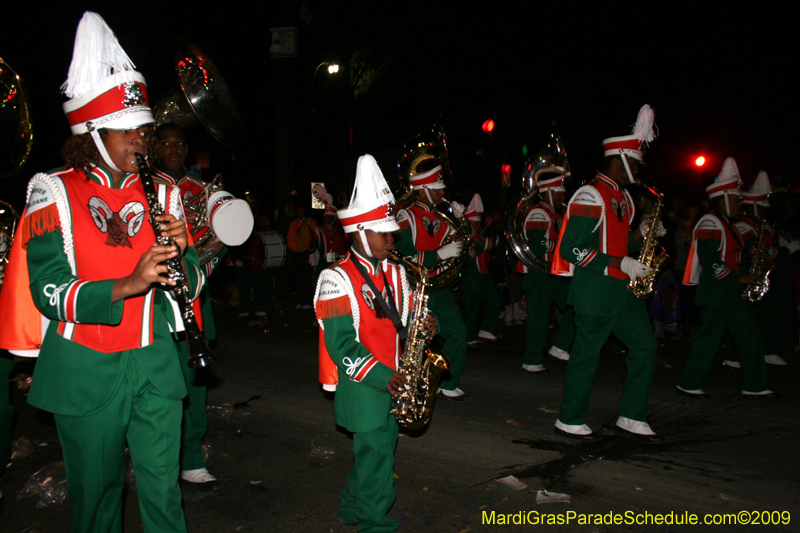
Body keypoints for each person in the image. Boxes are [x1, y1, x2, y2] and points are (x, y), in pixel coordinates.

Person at [0, 13, 202, 531]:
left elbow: (192, 283)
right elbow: (48, 290)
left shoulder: (165, 192)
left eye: (145, 130)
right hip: (85, 368)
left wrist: (186, 257)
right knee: (98, 501)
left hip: (156, 363)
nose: (143, 140)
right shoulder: (53, 191)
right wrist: (128, 283)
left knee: (165, 495)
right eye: (129, 130)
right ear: (94, 131)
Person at [315, 154, 436, 532]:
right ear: (361, 232)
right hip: (365, 387)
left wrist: (425, 326)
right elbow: (341, 347)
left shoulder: (398, 273)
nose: (392, 238)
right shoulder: (335, 279)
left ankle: (351, 507)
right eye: (384, 232)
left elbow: (405, 323)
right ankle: (373, 524)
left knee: (376, 455)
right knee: (377, 458)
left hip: (394, 381)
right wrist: (385, 377)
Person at [551, 104, 660, 441]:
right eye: (635, 165)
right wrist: (620, 263)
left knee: (645, 346)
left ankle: (632, 415)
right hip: (595, 290)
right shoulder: (590, 194)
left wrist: (643, 233)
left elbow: (618, 241)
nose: (638, 172)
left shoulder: (624, 198)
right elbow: (570, 248)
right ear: (619, 161)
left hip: (622, 290)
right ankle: (569, 418)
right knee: (587, 354)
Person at [153, 123, 221, 487]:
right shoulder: (143, 184)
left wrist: (204, 264)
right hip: (154, 293)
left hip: (194, 291)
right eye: (166, 143)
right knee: (159, 378)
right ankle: (159, 455)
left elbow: (222, 237)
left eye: (179, 142)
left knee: (195, 375)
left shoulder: (200, 189)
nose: (174, 148)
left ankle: (191, 456)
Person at [677, 158, 774, 398]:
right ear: (724, 198)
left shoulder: (726, 224)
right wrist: (739, 278)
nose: (741, 202)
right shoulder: (710, 222)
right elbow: (710, 260)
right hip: (717, 292)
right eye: (736, 198)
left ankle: (755, 385)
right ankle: (689, 382)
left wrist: (748, 256)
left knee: (748, 335)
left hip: (728, 291)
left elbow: (728, 256)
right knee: (709, 339)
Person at [394, 163, 470, 401]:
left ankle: (446, 383)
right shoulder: (405, 216)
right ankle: (410, 387)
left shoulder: (441, 217)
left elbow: (465, 242)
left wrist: (463, 219)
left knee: (458, 333)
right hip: (416, 288)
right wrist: (437, 255)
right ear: (424, 189)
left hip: (440, 288)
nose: (442, 193)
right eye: (438, 188)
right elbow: (402, 255)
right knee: (418, 340)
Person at [521, 172, 576, 372]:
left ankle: (559, 346)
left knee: (576, 306)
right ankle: (531, 359)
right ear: (549, 192)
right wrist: (563, 243)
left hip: (556, 274)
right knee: (538, 318)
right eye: (559, 193)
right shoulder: (538, 213)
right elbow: (537, 245)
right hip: (540, 274)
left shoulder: (555, 214)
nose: (563, 197)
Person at [461, 194, 502, 345]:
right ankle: (469, 338)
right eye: (477, 223)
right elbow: (478, 248)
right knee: (473, 309)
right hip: (471, 278)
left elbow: (493, 243)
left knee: (495, 302)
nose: (480, 225)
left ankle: (486, 330)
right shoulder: (466, 237)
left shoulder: (478, 236)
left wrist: (488, 229)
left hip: (483, 275)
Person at [287, 205, 318, 308]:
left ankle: (307, 301)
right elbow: (290, 237)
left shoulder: (310, 222)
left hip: (305, 253)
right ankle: (299, 300)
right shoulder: (294, 223)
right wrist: (291, 248)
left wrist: (308, 248)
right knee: (297, 278)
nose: (299, 212)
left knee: (305, 278)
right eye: (298, 211)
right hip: (295, 253)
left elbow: (314, 236)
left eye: (301, 210)